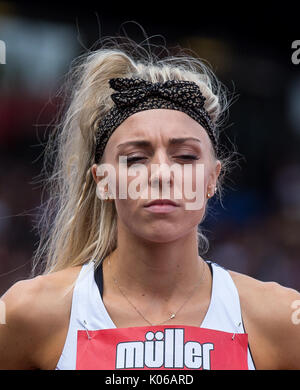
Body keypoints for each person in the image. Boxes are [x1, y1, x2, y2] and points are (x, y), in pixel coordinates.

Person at [0, 37, 299, 370]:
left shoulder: (280, 319)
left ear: (213, 178)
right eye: (136, 158)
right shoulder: (30, 313)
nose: (161, 174)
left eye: (185, 156)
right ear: (103, 181)